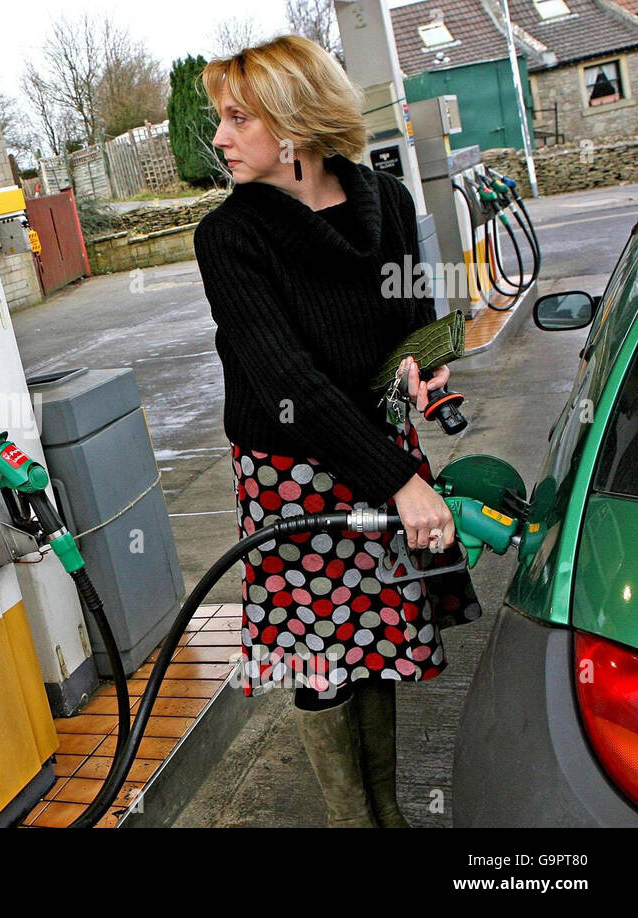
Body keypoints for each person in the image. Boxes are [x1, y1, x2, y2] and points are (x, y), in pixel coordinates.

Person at [193, 35, 482, 827]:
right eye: (221, 119)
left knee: (379, 634)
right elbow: (287, 380)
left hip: (381, 445)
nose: (219, 138)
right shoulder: (231, 238)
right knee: (323, 656)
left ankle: (387, 808)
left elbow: (407, 305)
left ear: (292, 123)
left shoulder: (382, 198)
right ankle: (351, 820)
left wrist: (421, 366)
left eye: (235, 119)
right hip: (294, 472)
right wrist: (400, 478)